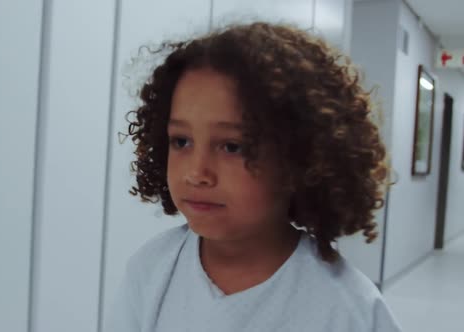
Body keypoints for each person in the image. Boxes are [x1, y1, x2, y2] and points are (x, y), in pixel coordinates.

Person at [106, 22, 402, 332]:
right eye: (181, 141)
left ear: (299, 158)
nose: (197, 173)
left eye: (232, 147)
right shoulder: (151, 270)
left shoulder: (349, 309)